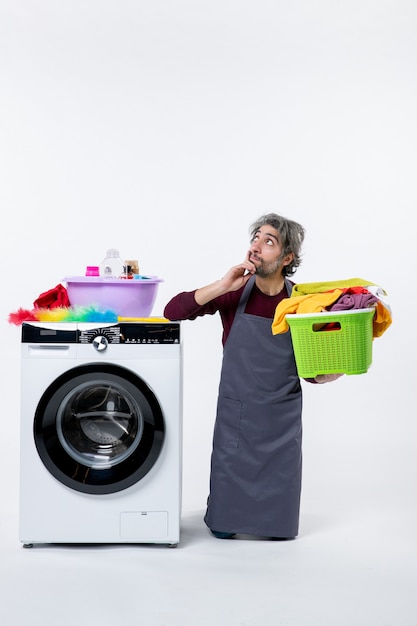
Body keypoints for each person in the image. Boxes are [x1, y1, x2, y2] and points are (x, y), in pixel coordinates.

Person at [164, 213, 342, 540]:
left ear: (287, 258)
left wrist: (332, 370)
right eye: (256, 237)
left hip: (281, 422)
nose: (257, 246)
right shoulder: (235, 293)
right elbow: (172, 312)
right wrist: (222, 284)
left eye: (269, 241)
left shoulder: (300, 304)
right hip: (238, 417)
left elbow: (313, 371)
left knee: (278, 534)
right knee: (221, 529)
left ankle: (274, 523)